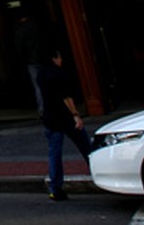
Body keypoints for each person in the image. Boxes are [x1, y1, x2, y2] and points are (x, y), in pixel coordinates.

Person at [37, 50, 91, 201]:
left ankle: (55, 188)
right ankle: (99, 174)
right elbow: (66, 97)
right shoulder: (59, 74)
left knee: (54, 153)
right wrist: (75, 115)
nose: (61, 60)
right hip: (65, 118)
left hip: (50, 118)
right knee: (86, 148)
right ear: (54, 58)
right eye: (59, 57)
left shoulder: (41, 75)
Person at [14, 12, 48, 116]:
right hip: (44, 58)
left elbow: (19, 48)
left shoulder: (20, 30)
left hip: (31, 61)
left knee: (37, 85)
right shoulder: (38, 26)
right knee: (49, 83)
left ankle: (42, 109)